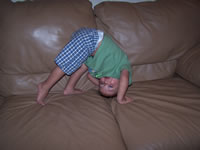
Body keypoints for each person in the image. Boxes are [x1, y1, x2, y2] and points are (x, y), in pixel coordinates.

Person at [37, 27, 133, 105]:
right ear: (121, 85)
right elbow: (124, 78)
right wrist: (121, 99)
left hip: (86, 44)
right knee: (66, 65)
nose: (106, 82)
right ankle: (45, 86)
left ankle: (69, 88)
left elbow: (89, 76)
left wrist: (99, 83)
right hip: (92, 38)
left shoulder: (100, 72)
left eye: (103, 84)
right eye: (111, 85)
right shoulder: (121, 68)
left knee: (82, 66)